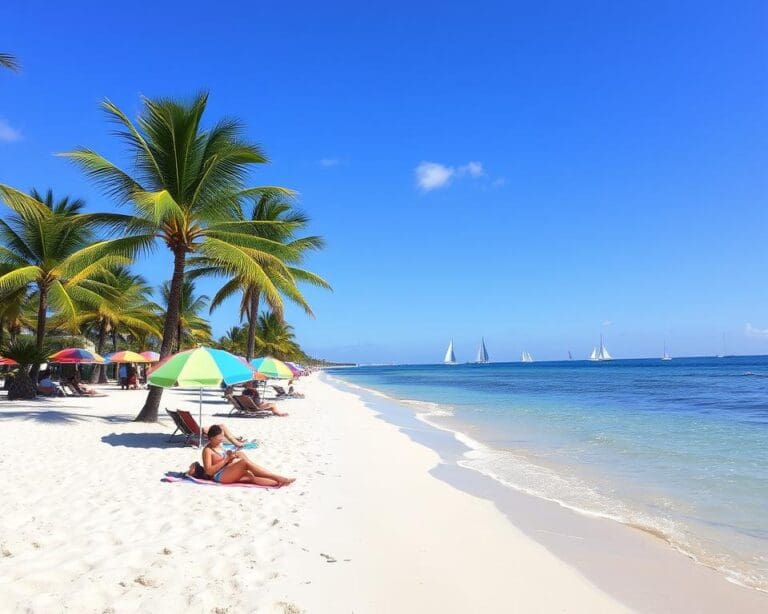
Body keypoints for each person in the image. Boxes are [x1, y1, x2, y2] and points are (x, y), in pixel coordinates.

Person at [194, 425, 295, 486]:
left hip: (227, 469)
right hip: (219, 476)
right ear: (211, 438)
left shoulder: (219, 445)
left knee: (244, 462)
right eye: (218, 438)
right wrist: (226, 460)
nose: (220, 440)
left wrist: (230, 456)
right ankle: (278, 477)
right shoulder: (207, 450)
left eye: (221, 437)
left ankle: (277, 482)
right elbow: (209, 471)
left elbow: (225, 457)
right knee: (245, 463)